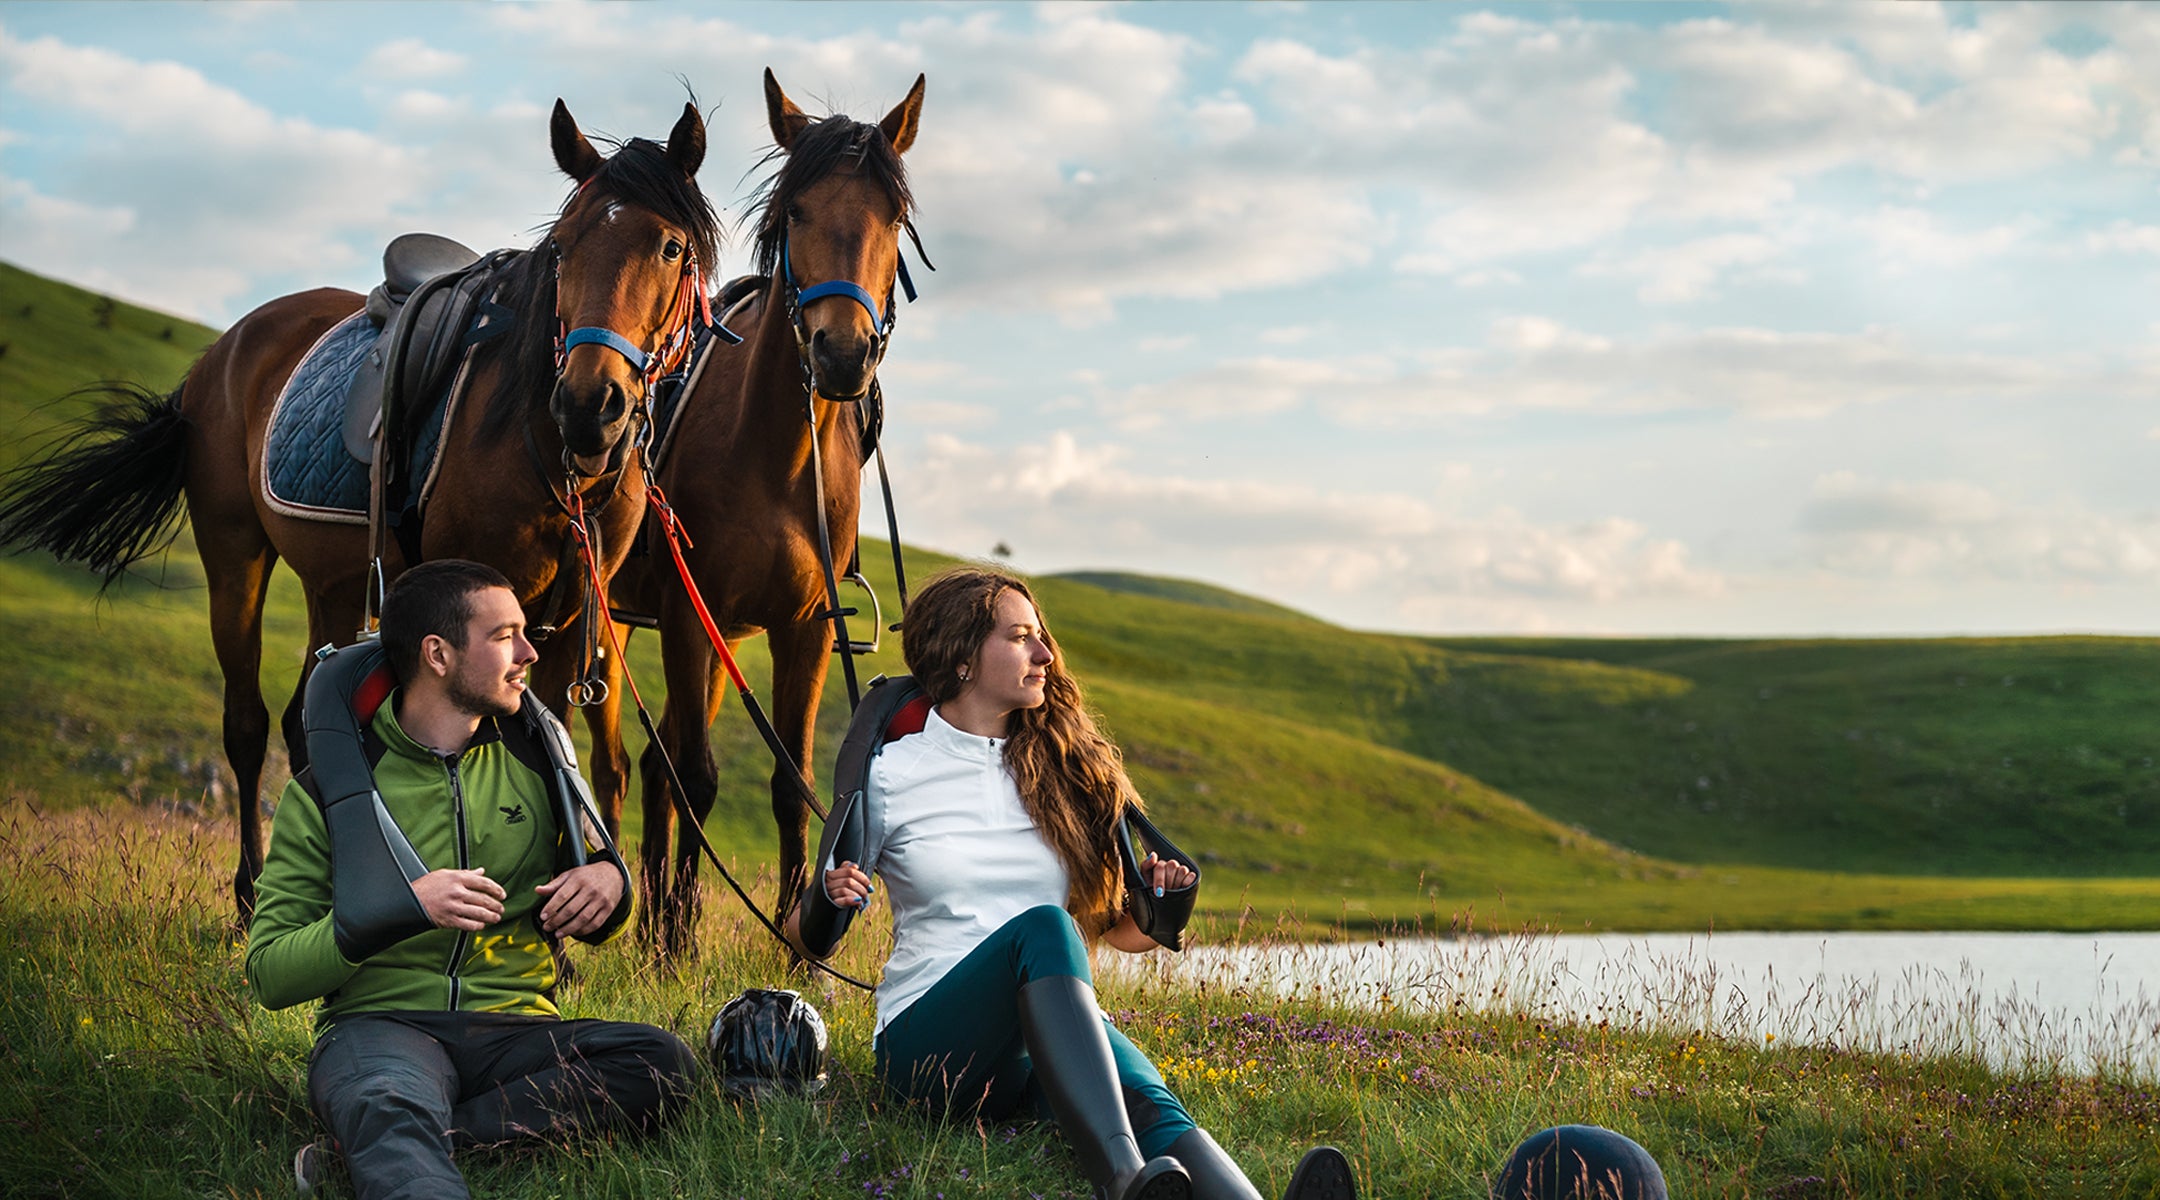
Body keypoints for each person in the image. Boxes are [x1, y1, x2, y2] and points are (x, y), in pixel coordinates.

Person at [787, 567, 1357, 1200]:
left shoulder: (1059, 770)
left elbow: (1117, 934)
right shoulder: (893, 772)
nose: (1045, 654)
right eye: (1020, 637)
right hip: (929, 1050)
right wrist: (826, 897)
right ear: (962, 656)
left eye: (1041, 637)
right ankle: (1122, 1183)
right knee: (1043, 927)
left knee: (1146, 1097)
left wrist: (1159, 905)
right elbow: (809, 939)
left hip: (1029, 1050)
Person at [246, 559, 697, 1199]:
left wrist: (609, 883)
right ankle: (404, 1142)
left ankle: (394, 1149)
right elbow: (269, 973)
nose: (530, 652)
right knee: (386, 1100)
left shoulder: (541, 769)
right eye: (503, 635)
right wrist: (401, 908)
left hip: (515, 1031)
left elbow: (601, 894)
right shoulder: (325, 794)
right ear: (437, 653)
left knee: (662, 1063)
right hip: (381, 1028)